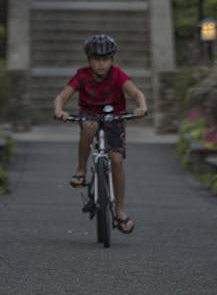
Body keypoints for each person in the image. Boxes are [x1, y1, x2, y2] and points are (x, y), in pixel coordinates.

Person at [52, 34, 148, 235]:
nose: (101, 64)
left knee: (116, 159)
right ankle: (80, 171)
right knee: (89, 127)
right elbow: (61, 97)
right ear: (89, 60)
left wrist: (141, 107)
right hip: (90, 115)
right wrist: (59, 110)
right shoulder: (82, 76)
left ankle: (120, 210)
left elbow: (137, 94)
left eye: (105, 59)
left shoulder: (117, 75)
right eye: (96, 60)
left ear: (112, 60)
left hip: (114, 116)